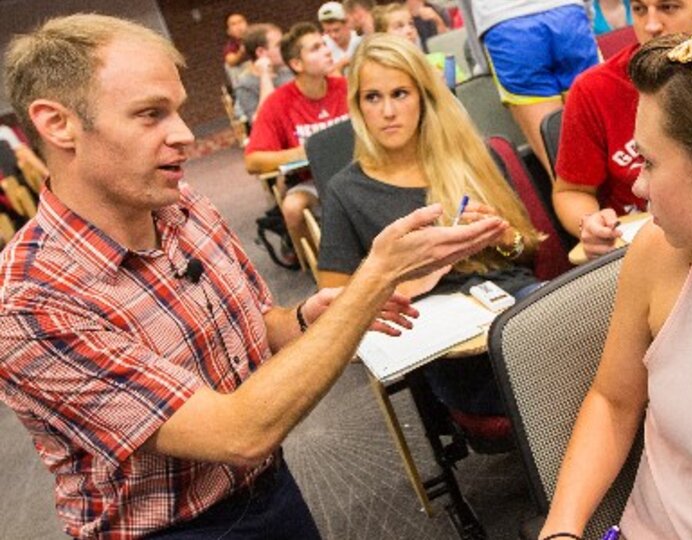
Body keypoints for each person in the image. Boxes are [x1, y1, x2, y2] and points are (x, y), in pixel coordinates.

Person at [0, 13, 514, 539]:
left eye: (177, 111)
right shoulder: (32, 301)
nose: (182, 135)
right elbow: (239, 433)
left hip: (270, 488)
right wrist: (373, 281)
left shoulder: (183, 208)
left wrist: (307, 318)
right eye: (150, 115)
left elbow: (258, 327)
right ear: (57, 124)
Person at [540, 21, 692, 539]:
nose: (636, 185)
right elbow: (614, 400)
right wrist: (562, 530)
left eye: (650, 161)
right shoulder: (659, 254)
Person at [317, 33, 543, 420]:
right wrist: (405, 279)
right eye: (373, 97)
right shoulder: (345, 191)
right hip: (446, 341)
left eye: (400, 94)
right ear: (358, 107)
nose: (388, 111)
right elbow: (333, 309)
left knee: (583, 344)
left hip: (515, 302)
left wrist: (503, 236)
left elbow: (530, 250)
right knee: (554, 377)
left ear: (423, 97)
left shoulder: (473, 155)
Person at [553, 0, 692, 261]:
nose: (651, 25)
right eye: (639, 10)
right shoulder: (594, 89)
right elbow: (570, 191)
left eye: (668, 8)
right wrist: (590, 222)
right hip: (635, 246)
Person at [245, 22, 349, 258]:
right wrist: (310, 151)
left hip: (355, 173)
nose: (326, 50)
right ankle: (319, 270)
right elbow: (253, 161)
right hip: (312, 181)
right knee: (292, 208)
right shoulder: (278, 103)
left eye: (324, 44)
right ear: (296, 64)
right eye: (315, 48)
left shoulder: (346, 88)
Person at [462, 0, 599, 176]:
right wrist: (586, 16)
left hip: (507, 26)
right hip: (568, 15)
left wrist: (482, 62)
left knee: (564, 171)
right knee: (605, 144)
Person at [372, 3, 468, 84]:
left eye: (411, 24)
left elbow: (467, 90)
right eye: (399, 27)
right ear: (383, 36)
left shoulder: (439, 60)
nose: (409, 30)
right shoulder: (383, 74)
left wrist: (449, 84)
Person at [233, 23, 294, 123]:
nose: (285, 48)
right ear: (261, 52)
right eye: (279, 45)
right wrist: (265, 75)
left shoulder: (290, 70)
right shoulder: (245, 85)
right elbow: (260, 122)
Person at [318, 1, 363, 75]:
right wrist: (341, 64)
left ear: (347, 24)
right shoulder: (321, 45)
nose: (333, 35)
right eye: (328, 31)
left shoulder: (360, 40)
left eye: (336, 30)